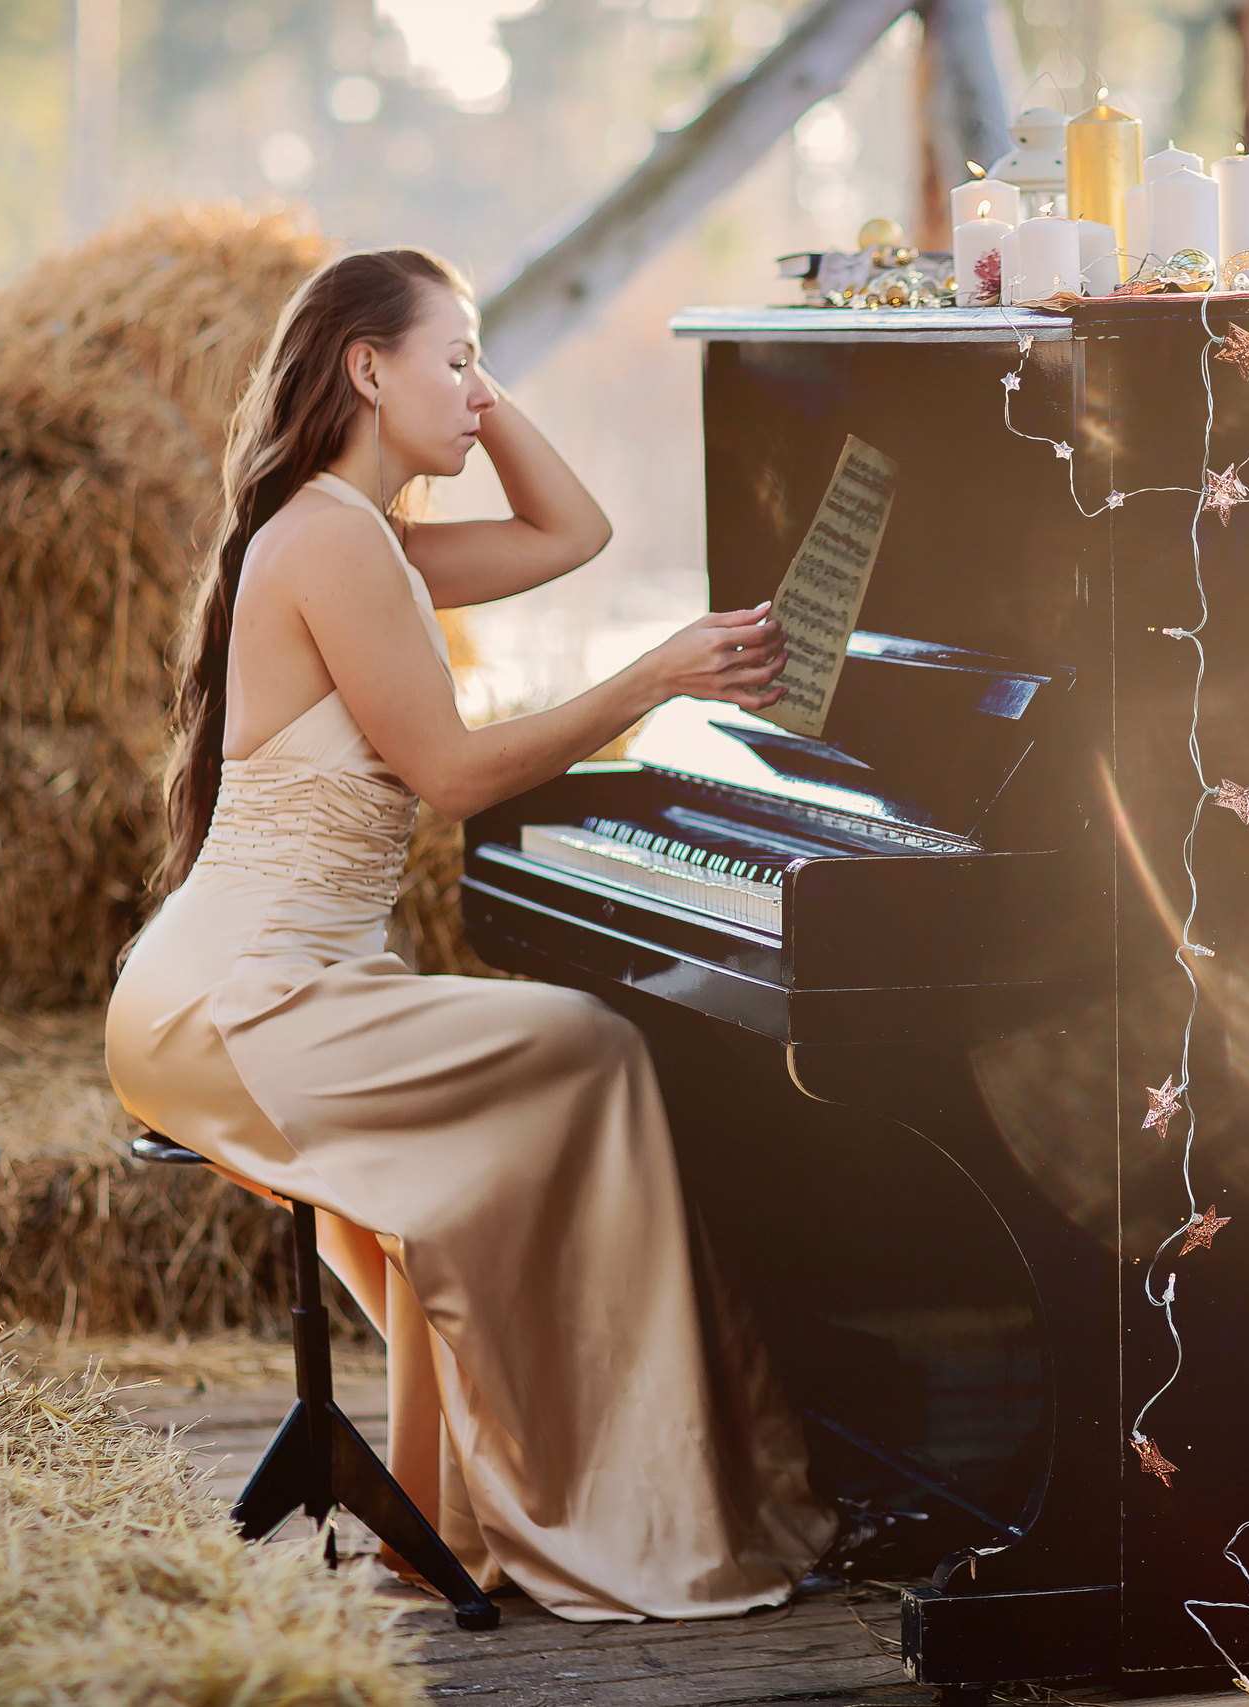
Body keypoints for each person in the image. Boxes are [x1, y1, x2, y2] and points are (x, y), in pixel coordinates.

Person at [105, 247, 835, 1619]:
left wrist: (473, 391)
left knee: (536, 1098)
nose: (480, 387)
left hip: (268, 988)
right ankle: (599, 1489)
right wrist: (651, 678)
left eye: (483, 358)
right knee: (594, 1048)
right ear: (366, 370)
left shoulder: (361, 534)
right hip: (244, 1006)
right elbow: (450, 777)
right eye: (457, 357)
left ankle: (458, 1502)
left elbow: (576, 537)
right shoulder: (328, 534)